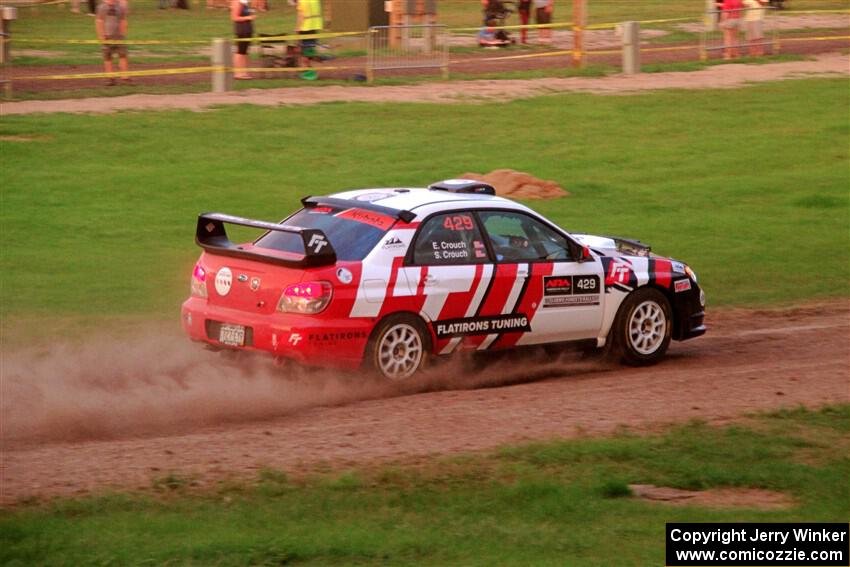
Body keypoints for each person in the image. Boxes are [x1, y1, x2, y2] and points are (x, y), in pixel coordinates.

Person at [95, 0, 130, 85]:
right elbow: (99, 21)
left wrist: (122, 34)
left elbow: (123, 21)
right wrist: (101, 35)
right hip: (107, 36)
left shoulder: (120, 7)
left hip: (118, 37)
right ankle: (110, 78)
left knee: (123, 56)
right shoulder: (101, 7)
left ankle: (125, 78)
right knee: (108, 57)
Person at [295, 0, 322, 79]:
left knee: (304, 52)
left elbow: (301, 15)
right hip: (314, 27)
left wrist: (297, 27)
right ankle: (309, 72)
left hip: (305, 28)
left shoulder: (302, 1)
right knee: (310, 51)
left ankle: (308, 73)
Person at [231, 0, 255, 79]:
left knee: (245, 52)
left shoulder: (245, 3)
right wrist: (248, 17)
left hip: (247, 30)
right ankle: (237, 73)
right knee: (240, 51)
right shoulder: (237, 2)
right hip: (242, 30)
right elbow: (234, 17)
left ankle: (244, 72)